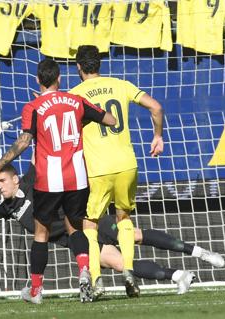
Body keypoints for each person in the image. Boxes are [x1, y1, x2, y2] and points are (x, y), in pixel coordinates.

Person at [0, 58, 117, 304]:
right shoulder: (76, 101)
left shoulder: (33, 107)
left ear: (37, 80)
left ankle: (36, 290)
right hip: (77, 177)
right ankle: (84, 272)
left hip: (50, 179)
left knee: (41, 234)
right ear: (59, 79)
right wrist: (80, 119)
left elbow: (23, 141)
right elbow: (110, 120)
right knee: (75, 228)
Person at [0, 163, 225, 296]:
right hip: (78, 241)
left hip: (90, 222)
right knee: (120, 264)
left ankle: (200, 253)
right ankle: (179, 276)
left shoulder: (31, 181)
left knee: (135, 236)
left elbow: (38, 152)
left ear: (15, 179)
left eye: (1, 181)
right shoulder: (7, 208)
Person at [69, 45, 167, 298]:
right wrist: (158, 136)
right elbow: (155, 107)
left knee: (89, 224)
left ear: (79, 67)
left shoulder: (74, 95)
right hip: (127, 164)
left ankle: (97, 280)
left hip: (98, 168)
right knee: (123, 218)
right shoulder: (121, 84)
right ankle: (129, 273)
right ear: (99, 64)